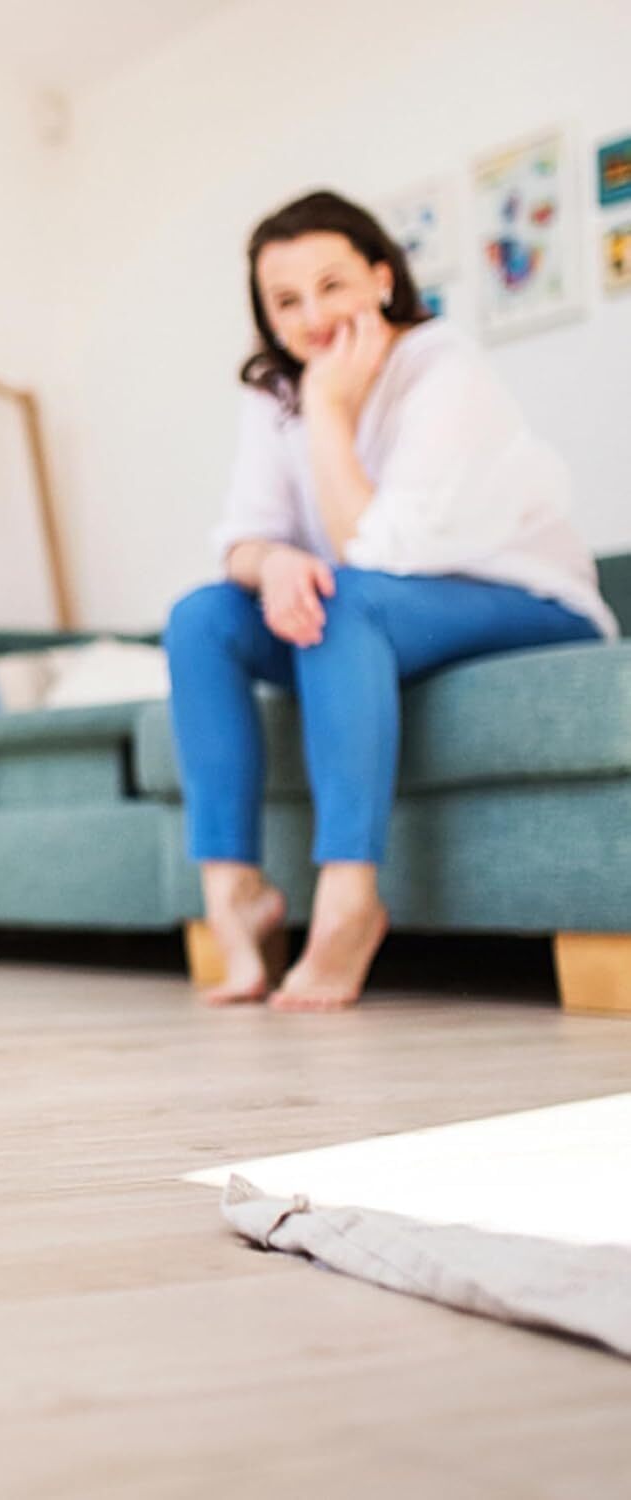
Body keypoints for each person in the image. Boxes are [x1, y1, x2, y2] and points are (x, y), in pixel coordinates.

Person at [164, 190, 615, 1013]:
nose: (312, 317)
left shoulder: (443, 368)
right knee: (201, 619)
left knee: (344, 601)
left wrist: (328, 408)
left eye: (332, 285)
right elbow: (241, 536)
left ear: (381, 278)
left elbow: (374, 550)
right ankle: (234, 896)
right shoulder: (273, 392)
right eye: (286, 301)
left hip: (522, 598)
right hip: (371, 609)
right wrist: (273, 562)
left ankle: (348, 902)